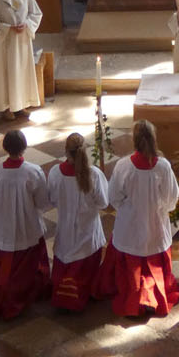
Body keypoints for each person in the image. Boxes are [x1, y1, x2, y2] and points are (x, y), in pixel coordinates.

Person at [98, 120, 179, 317]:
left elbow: (114, 197)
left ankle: (134, 297)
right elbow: (171, 199)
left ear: (134, 140)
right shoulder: (163, 167)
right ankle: (152, 296)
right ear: (154, 139)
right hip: (155, 227)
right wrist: (157, 208)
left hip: (130, 229)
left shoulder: (123, 165)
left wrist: (131, 209)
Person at [0, 130, 51, 320]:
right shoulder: (33, 171)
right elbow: (42, 203)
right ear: (24, 147)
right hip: (27, 227)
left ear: (5, 148)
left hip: (4, 228)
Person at [46, 132, 109, 311]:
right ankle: (85, 293)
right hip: (88, 236)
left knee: (64, 259)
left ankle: (63, 297)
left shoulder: (56, 173)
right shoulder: (94, 174)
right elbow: (104, 202)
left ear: (66, 152)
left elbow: (51, 199)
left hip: (65, 233)